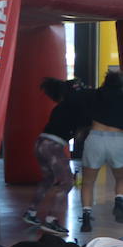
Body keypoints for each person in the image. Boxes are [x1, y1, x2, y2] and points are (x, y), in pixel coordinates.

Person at [23, 78, 89, 237]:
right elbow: (79, 134)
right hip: (53, 147)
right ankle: (51, 221)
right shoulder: (77, 108)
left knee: (47, 179)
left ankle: (31, 213)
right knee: (67, 182)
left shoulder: (60, 107)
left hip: (40, 143)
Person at [80, 69, 123, 232]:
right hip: (118, 138)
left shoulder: (94, 95)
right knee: (121, 178)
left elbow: (83, 112)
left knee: (88, 183)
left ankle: (86, 218)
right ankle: (119, 202)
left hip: (95, 138)